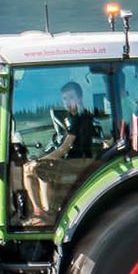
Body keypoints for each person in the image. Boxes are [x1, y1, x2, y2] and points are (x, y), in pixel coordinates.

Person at [19, 81, 103, 227]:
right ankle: (45, 212)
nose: (68, 102)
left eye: (71, 97)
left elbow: (64, 148)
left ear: (80, 98)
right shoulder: (72, 119)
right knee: (35, 169)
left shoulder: (81, 118)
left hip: (78, 163)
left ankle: (42, 213)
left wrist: (40, 160)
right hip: (71, 161)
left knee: (33, 168)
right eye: (65, 99)